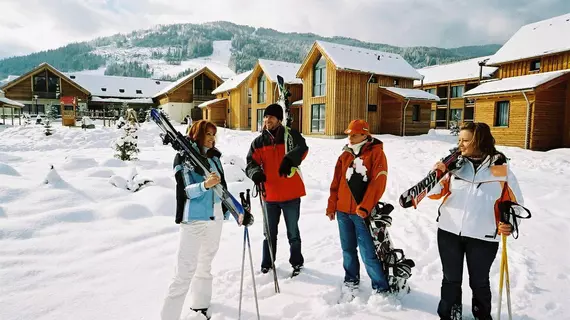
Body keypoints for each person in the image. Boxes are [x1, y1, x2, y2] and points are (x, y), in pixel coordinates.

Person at [428, 122, 524, 320]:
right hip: (449, 231)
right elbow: (434, 194)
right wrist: (436, 174)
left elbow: (515, 203)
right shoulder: (455, 165)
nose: (460, 144)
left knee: (479, 282)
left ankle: (481, 315)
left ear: (479, 141)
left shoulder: (498, 168)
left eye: (465, 140)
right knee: (450, 279)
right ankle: (449, 315)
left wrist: (510, 224)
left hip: (484, 235)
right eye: (459, 139)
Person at [161, 120, 230, 320]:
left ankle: (200, 306)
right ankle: (168, 317)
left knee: (205, 264)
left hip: (215, 218)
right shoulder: (183, 158)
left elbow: (222, 186)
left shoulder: (214, 158)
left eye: (213, 135)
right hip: (194, 220)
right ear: (197, 134)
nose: (211, 138)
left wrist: (230, 210)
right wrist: (204, 185)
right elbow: (185, 191)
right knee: (184, 271)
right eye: (207, 134)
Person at [326, 119, 390, 299]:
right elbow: (336, 183)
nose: (350, 138)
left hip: (361, 213)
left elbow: (378, 182)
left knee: (368, 252)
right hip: (342, 212)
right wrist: (332, 206)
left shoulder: (376, 153)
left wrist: (366, 206)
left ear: (365, 134)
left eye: (354, 134)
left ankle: (380, 287)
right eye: (349, 134)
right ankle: (351, 280)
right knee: (347, 249)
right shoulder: (344, 155)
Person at [246, 103, 308, 275]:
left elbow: (302, 149)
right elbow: (251, 163)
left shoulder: (291, 136)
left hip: (291, 194)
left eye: (271, 117)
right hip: (269, 195)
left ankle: (297, 263)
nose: (267, 120)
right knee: (269, 233)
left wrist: (289, 160)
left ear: (279, 119)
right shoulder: (258, 142)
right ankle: (267, 263)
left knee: (293, 232)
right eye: (265, 117)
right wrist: (255, 173)